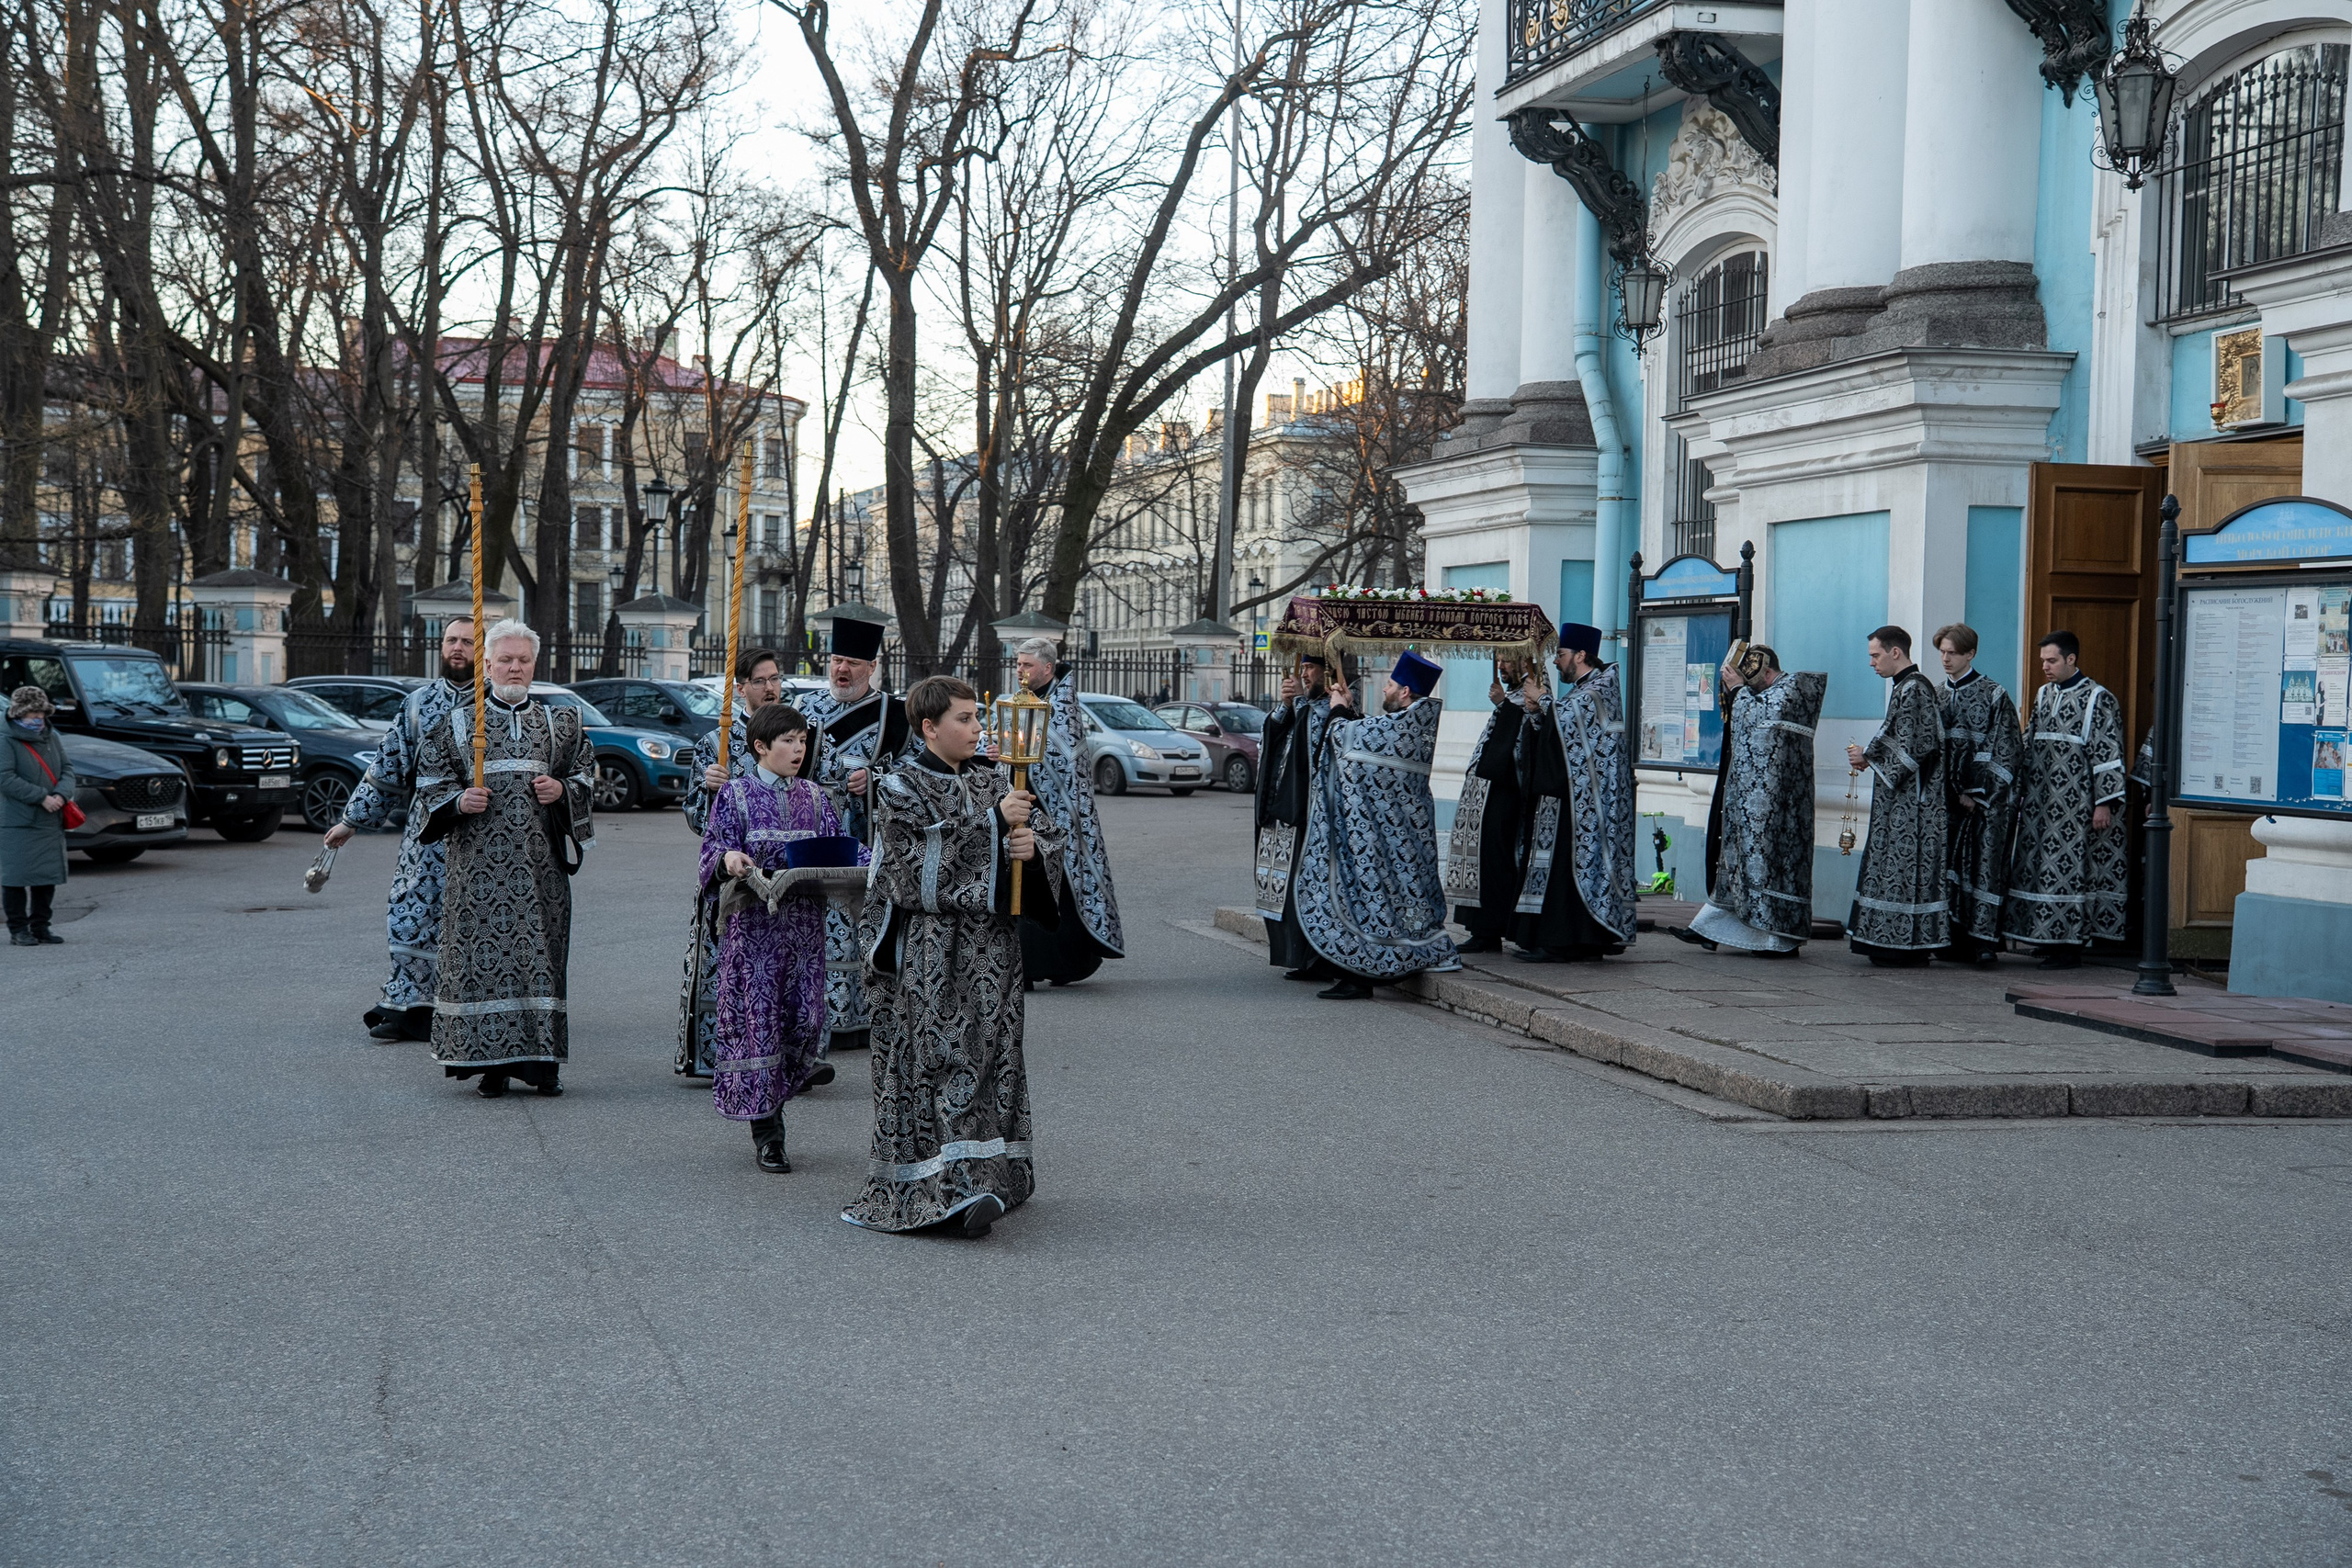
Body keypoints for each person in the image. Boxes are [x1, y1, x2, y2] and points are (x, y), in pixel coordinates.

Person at [845, 675, 1062, 1238]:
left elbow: (1049, 842)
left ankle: (997, 1174)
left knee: (992, 1058)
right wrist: (994, 827)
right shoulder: (898, 787)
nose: (976, 729)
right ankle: (950, 1190)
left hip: (995, 951)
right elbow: (907, 867)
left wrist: (1031, 850)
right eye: (963, 719)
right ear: (928, 727)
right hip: (933, 954)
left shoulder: (998, 779)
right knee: (947, 1058)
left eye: (977, 718)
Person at [413, 620, 596, 1096]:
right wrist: (457, 802)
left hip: (541, 872)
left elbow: (585, 775)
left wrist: (563, 790)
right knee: (482, 963)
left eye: (524, 660)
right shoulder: (455, 723)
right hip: (476, 872)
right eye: (506, 660)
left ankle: (542, 1066)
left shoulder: (562, 723)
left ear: (534, 665)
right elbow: (430, 784)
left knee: (541, 959)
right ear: (487, 663)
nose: (515, 668)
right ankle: (489, 1065)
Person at [702, 703, 854, 1174]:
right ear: (761, 747)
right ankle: (769, 1134)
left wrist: (878, 859)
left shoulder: (816, 796)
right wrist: (729, 859)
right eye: (788, 741)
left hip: (805, 935)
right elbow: (714, 848)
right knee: (760, 1028)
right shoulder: (736, 795)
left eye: (803, 741)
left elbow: (842, 848)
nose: (798, 750)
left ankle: (779, 1097)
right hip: (755, 936)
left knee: (806, 1022)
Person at [325, 618, 475, 1040]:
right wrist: (350, 821)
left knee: (474, 919)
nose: (458, 648)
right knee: (413, 910)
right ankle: (411, 1003)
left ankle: (471, 1006)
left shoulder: (494, 704)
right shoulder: (418, 704)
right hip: (426, 834)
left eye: (468, 640)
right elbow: (388, 764)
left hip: (485, 833)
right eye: (451, 640)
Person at [1292, 651, 1457, 1000]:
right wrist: (1349, 709)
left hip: (1388, 837)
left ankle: (1365, 971)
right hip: (1399, 833)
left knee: (1374, 897)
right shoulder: (1413, 718)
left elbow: (1347, 740)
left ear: (1406, 691)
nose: (1384, 688)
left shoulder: (1411, 722)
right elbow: (1369, 734)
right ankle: (1405, 955)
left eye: (1390, 684)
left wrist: (1337, 711)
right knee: (1404, 898)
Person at [795, 616, 914, 1054]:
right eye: (836, 660)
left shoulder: (895, 714)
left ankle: (864, 1019)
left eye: (852, 662)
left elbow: (917, 769)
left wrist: (877, 777)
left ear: (872, 666)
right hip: (811, 835)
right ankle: (815, 1015)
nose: (841, 669)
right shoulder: (803, 710)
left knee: (862, 922)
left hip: (867, 839)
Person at [676, 647, 790, 1077]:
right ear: (740, 688)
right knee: (729, 966)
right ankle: (720, 1056)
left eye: (775, 679)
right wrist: (709, 790)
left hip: (786, 874)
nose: (769, 688)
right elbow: (696, 819)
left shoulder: (798, 734)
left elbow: (823, 795)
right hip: (732, 875)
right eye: (759, 681)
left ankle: (786, 1059)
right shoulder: (715, 742)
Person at [1673, 646, 1827, 955]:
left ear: (1768, 672)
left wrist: (1739, 691)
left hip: (1783, 806)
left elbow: (1761, 715)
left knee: (1769, 866)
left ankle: (1777, 940)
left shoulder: (1794, 689)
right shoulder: (1772, 691)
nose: (1753, 692)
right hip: (1755, 799)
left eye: (1756, 685)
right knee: (1736, 864)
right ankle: (1708, 929)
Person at [1510, 624, 1636, 962]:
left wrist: (1544, 700)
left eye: (1561, 655)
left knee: (1576, 866)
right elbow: (1563, 735)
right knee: (1563, 865)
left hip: (1592, 801)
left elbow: (1576, 718)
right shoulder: (1583, 688)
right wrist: (1538, 714)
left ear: (1581, 656)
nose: (1555, 662)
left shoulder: (1600, 687)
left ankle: (1567, 942)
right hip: (1573, 794)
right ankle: (1571, 939)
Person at [2002, 630, 2126, 969]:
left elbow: (2108, 751)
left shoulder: (2099, 698)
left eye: (2052, 660)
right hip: (2040, 803)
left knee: (2069, 872)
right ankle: (2044, 937)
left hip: (2075, 805)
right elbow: (2029, 742)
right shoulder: (2043, 694)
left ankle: (2069, 946)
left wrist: (2104, 802)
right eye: (2043, 660)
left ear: (2071, 659)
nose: (2045, 666)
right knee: (2038, 869)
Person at [1012, 637, 1124, 985]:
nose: (1021, 671)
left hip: (1056, 813)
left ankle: (1064, 963)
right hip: (1024, 806)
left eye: (1028, 665)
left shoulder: (1061, 705)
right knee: (1028, 886)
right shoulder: (1026, 699)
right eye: (1018, 664)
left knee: (1060, 889)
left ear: (1047, 667)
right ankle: (1028, 967)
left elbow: (1062, 765)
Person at [1844, 626, 1949, 965]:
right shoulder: (1904, 687)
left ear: (1895, 652)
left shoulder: (1915, 688)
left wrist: (1868, 755)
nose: (1872, 663)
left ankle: (1903, 945)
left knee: (1905, 869)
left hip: (1913, 805)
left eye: (1875, 655)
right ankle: (1889, 941)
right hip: (1899, 801)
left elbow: (1917, 745)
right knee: (1893, 867)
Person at [1933, 623, 2022, 965]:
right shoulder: (1937, 694)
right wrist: (1951, 791)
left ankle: (1983, 942)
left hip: (1987, 803)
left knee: (1983, 867)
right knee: (1947, 867)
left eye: (1952, 653)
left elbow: (2007, 750)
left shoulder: (1993, 694)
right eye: (1941, 651)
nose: (1945, 659)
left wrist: (1978, 792)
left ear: (1970, 653)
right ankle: (1950, 939)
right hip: (1947, 801)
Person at [1254, 655, 1336, 977]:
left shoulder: (1333, 706)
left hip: (1308, 815)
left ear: (1326, 672)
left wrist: (1299, 702)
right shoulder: (1303, 706)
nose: (1303, 674)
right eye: (1301, 669)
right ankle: (1296, 957)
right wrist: (1286, 707)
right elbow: (1275, 735)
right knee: (1283, 890)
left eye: (1309, 669)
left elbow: (1313, 739)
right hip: (1281, 811)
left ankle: (1315, 959)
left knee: (1306, 891)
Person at [1442, 659, 1531, 953]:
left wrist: (1504, 704)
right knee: (1483, 860)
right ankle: (1482, 930)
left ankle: (1491, 929)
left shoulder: (1533, 693)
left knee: (1497, 859)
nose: (1503, 666)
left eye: (1508, 660)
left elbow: (1527, 736)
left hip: (1508, 791)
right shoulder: (1515, 696)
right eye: (1502, 660)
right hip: (1488, 791)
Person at [3, 685, 74, 947]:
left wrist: (61, 795)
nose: (38, 718)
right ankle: (18, 929)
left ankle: (41, 926)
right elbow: (4, 777)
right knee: (16, 877)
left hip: (49, 818)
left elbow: (67, 769)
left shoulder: (50, 735)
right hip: (17, 820)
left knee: (46, 875)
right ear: (20, 713)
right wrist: (41, 797)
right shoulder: (5, 737)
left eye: (41, 713)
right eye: (33, 713)